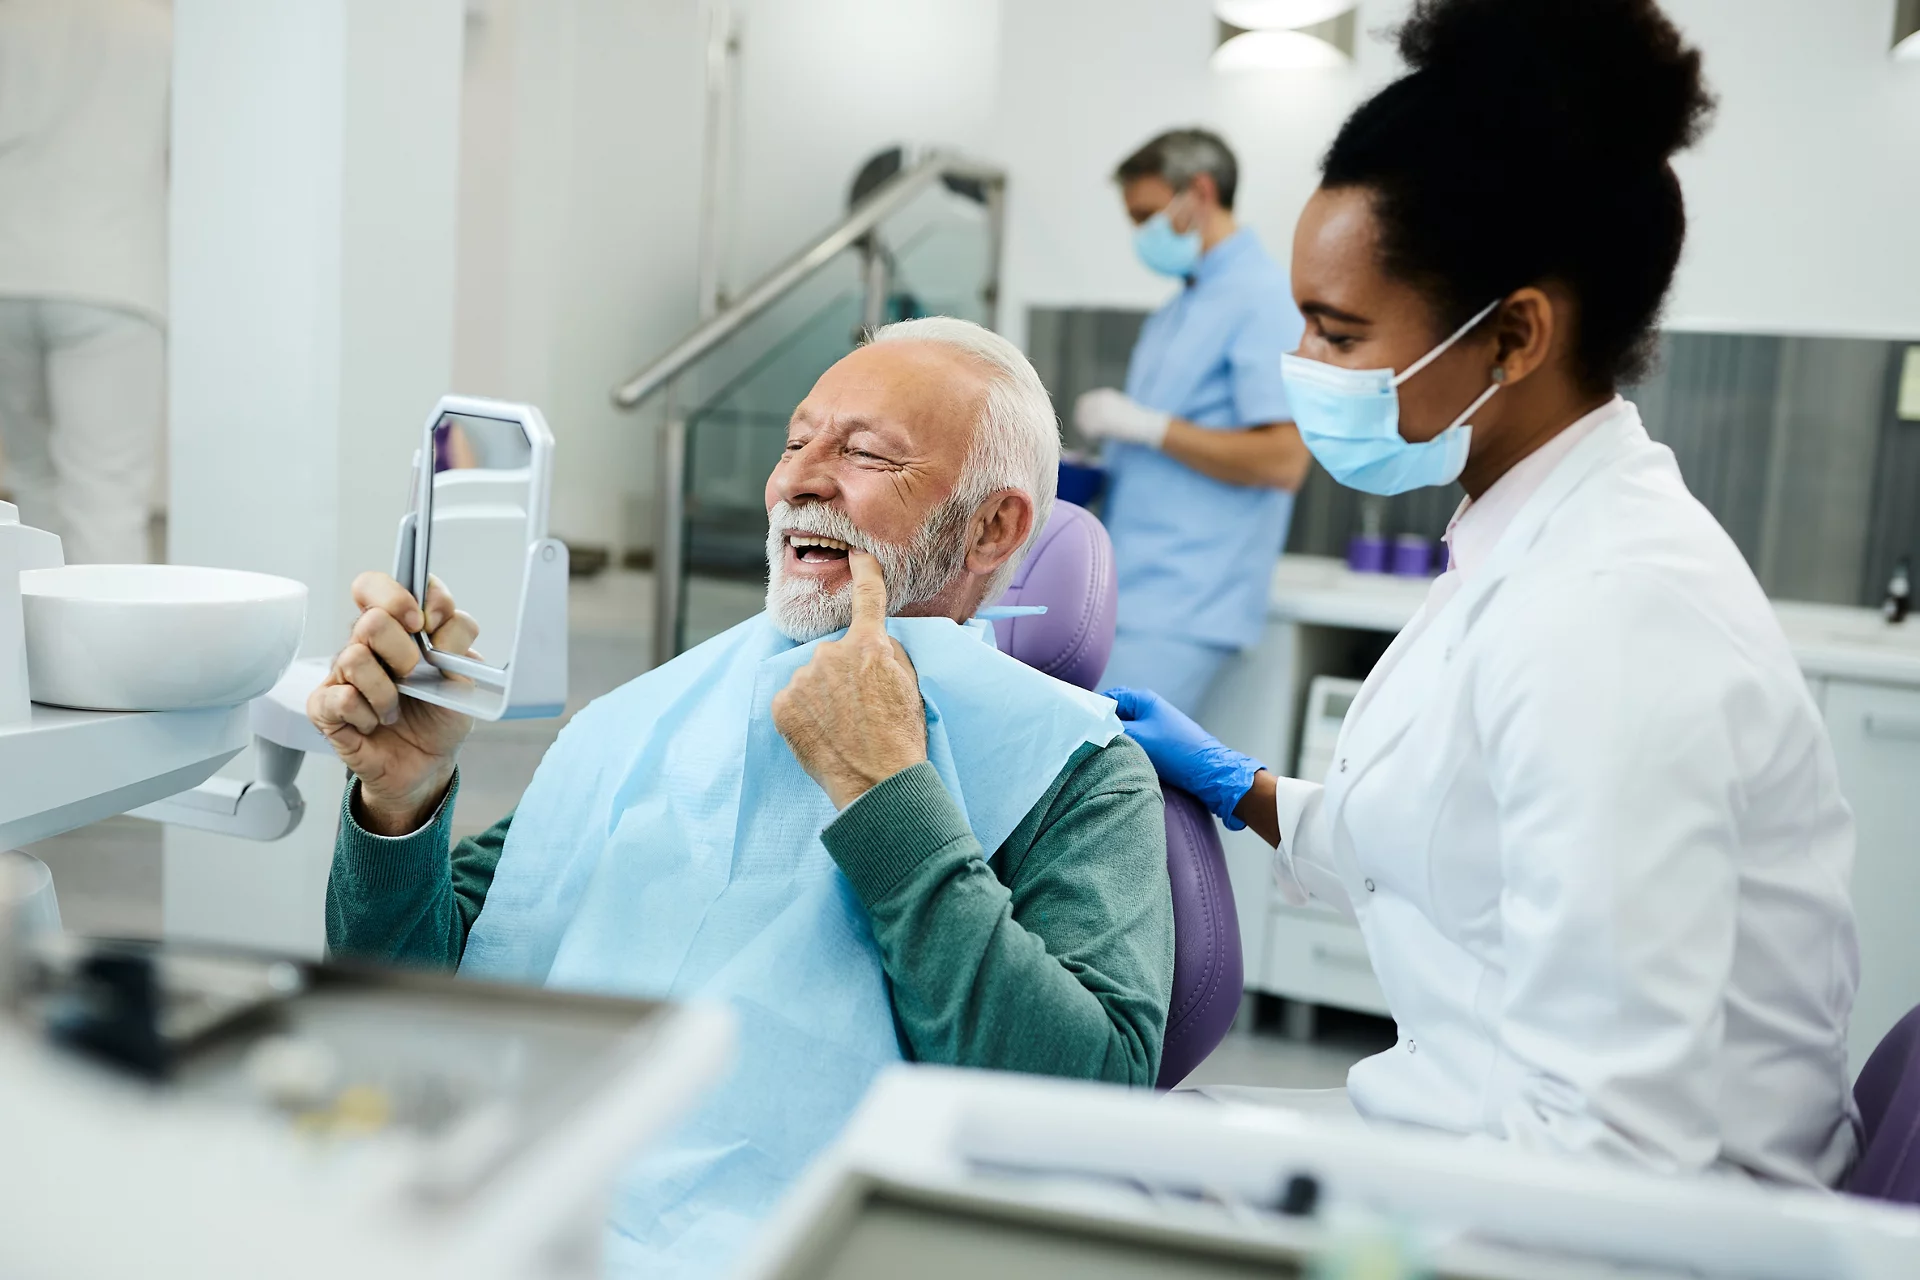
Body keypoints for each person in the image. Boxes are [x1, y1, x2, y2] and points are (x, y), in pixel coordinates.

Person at [1112, 0, 1861, 1187]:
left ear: (1513, 336)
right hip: (1459, 1129)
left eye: (1339, 331)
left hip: (1618, 1218)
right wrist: (1249, 789)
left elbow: (1615, 1157)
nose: (1299, 367)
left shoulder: (1614, 613)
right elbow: (1458, 846)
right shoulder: (1532, 536)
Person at [313, 317, 1174, 1274]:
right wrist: (404, 801)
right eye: (796, 440)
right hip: (521, 1208)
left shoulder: (1077, 770)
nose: (801, 479)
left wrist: (891, 794)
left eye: (864, 454)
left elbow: (1087, 1097)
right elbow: (410, 995)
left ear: (993, 527)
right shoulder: (657, 715)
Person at [1074, 128, 1312, 715]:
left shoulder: (1264, 299)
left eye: (1148, 214)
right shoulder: (1181, 306)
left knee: (1105, 784)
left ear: (1199, 192)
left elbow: (1284, 461)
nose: (1140, 234)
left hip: (1188, 602)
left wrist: (1150, 428)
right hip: (1134, 589)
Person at [0, 0, 170, 565]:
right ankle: (114, 652)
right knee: (107, 498)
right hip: (113, 276)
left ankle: (30, 648)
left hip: (10, 271)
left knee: (32, 484)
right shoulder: (155, 21)